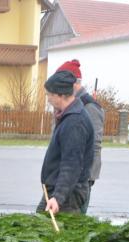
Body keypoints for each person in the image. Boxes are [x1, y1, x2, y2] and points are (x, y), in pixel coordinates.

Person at [39, 70, 95, 215]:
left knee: (53, 235)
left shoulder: (75, 122)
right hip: (58, 191)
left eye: (50, 95)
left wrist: (58, 197)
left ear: (61, 95)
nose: (48, 99)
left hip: (67, 196)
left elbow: (72, 164)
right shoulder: (68, 116)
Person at [56, 59, 104, 213]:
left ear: (74, 84)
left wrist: (84, 181)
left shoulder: (90, 106)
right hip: (67, 176)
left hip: (81, 179)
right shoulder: (68, 104)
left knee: (76, 224)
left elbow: (95, 146)